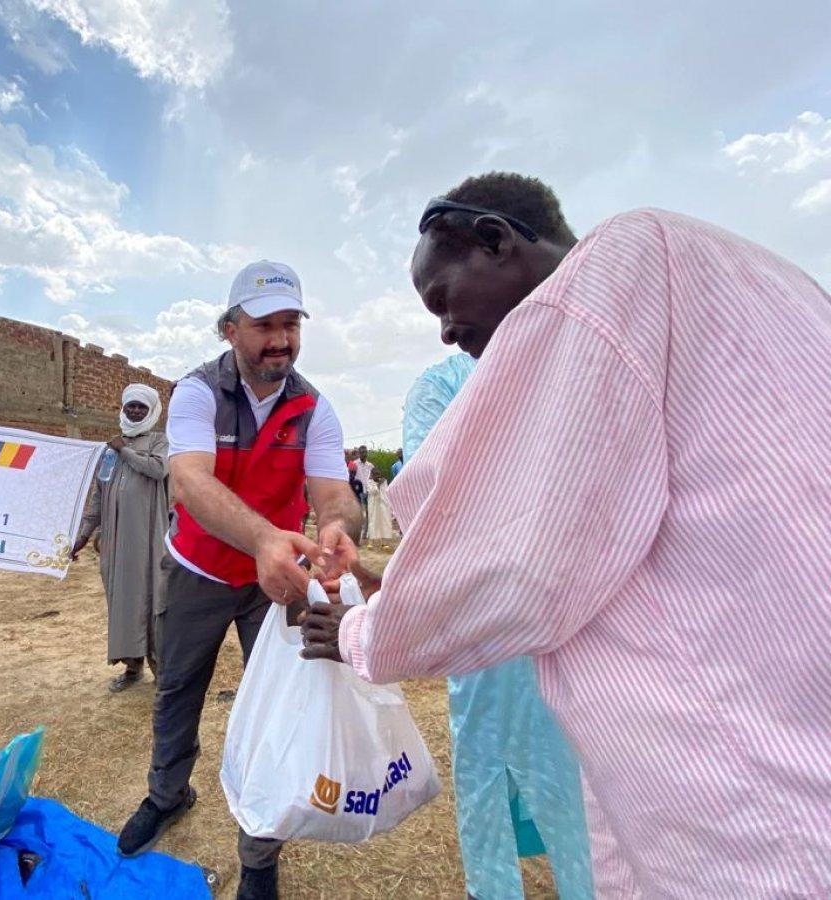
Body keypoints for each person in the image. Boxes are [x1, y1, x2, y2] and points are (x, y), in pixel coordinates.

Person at [302, 172, 831, 896]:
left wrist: (363, 632)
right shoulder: (760, 274)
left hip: (754, 791)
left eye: (443, 299)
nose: (448, 329)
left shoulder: (603, 287)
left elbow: (517, 561)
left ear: (496, 239)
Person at [117, 260, 361, 900]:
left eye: (291, 325)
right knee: (178, 689)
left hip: (273, 579)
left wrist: (337, 528)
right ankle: (168, 793)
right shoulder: (197, 392)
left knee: (276, 706)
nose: (280, 339)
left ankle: (260, 851)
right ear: (230, 329)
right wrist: (261, 539)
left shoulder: (312, 406)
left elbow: (334, 492)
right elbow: (191, 481)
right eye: (264, 325)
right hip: (201, 569)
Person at [404, 353, 592, 898]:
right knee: (485, 766)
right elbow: (432, 505)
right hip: (482, 627)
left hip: (569, 618)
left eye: (447, 302)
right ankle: (490, 887)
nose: (445, 326)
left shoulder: (572, 366)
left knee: (574, 771)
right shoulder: (441, 385)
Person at [72, 384, 170, 693]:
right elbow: (99, 494)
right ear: (123, 408)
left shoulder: (159, 441)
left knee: (152, 599)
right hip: (115, 543)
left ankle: (162, 670)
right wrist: (84, 533)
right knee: (122, 601)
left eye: (142, 407)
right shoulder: (110, 450)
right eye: (132, 406)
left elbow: (158, 469)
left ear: (152, 410)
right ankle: (132, 667)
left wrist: (124, 450)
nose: (136, 411)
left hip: (148, 539)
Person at [364, 472, 396, 544]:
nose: (377, 476)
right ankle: (371, 542)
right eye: (375, 475)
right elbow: (373, 491)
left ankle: (384, 542)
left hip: (382, 505)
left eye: (378, 475)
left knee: (383, 522)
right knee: (373, 522)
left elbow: (385, 492)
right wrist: (378, 485)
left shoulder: (383, 482)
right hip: (373, 505)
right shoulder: (369, 482)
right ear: (372, 475)